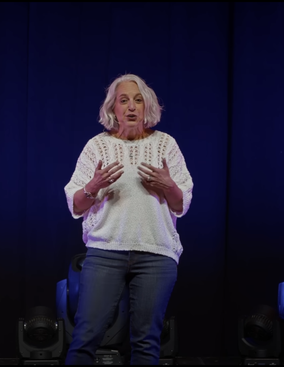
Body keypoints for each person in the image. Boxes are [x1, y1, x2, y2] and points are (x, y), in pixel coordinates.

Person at [63, 74, 194, 365]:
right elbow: (75, 203)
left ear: (148, 107)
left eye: (138, 100)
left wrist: (167, 185)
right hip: (105, 253)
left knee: (146, 342)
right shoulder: (97, 146)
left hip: (155, 254)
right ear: (114, 109)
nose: (131, 107)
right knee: (86, 335)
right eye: (124, 100)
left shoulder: (166, 145)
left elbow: (181, 203)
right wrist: (93, 186)